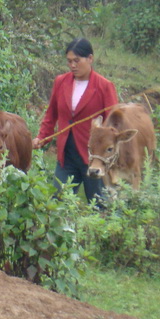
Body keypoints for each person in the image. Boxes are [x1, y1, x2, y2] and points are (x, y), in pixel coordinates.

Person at [32, 38, 119, 203]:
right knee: (56, 200)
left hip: (94, 157)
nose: (73, 65)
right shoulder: (61, 82)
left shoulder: (104, 86)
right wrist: (42, 137)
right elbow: (51, 114)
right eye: (69, 61)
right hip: (66, 154)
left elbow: (113, 125)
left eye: (77, 61)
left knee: (98, 204)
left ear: (90, 59)